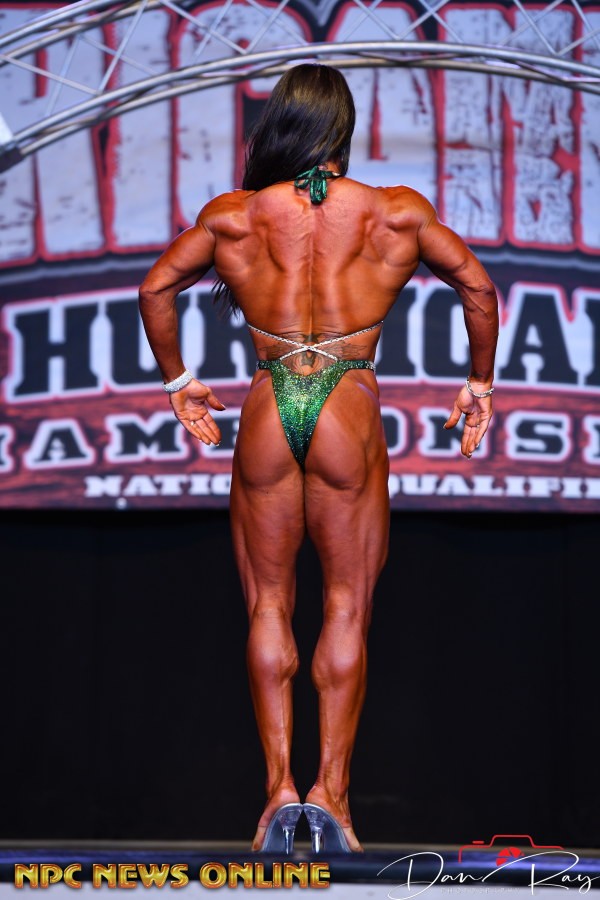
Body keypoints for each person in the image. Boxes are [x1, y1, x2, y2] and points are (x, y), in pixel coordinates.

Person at [138, 63, 498, 854]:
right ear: (343, 130)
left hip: (270, 401)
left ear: (278, 128)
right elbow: (477, 288)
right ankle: (331, 797)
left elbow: (157, 287)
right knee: (346, 606)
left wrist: (179, 383)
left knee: (268, 604)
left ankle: (277, 795)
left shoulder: (236, 216)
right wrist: (478, 384)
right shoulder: (394, 212)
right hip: (347, 401)